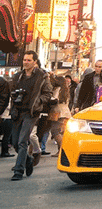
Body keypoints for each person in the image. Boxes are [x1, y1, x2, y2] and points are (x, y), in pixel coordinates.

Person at [9, 51, 52, 181]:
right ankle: (28, 159)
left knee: (22, 141)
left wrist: (39, 102)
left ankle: (18, 170)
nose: (26, 62)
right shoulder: (18, 76)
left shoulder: (42, 76)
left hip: (31, 112)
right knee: (15, 142)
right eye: (24, 60)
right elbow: (12, 92)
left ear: (35, 62)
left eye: (29, 60)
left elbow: (48, 93)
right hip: (18, 111)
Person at [47, 74, 71, 157]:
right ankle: (60, 151)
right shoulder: (65, 89)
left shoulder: (58, 89)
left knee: (55, 131)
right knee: (61, 132)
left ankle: (63, 149)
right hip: (66, 112)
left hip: (58, 112)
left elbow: (54, 99)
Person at [0, 76, 12, 157]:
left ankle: (5, 151)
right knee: (7, 135)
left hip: (4, 114)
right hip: (6, 116)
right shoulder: (3, 82)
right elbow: (4, 101)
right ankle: (5, 151)